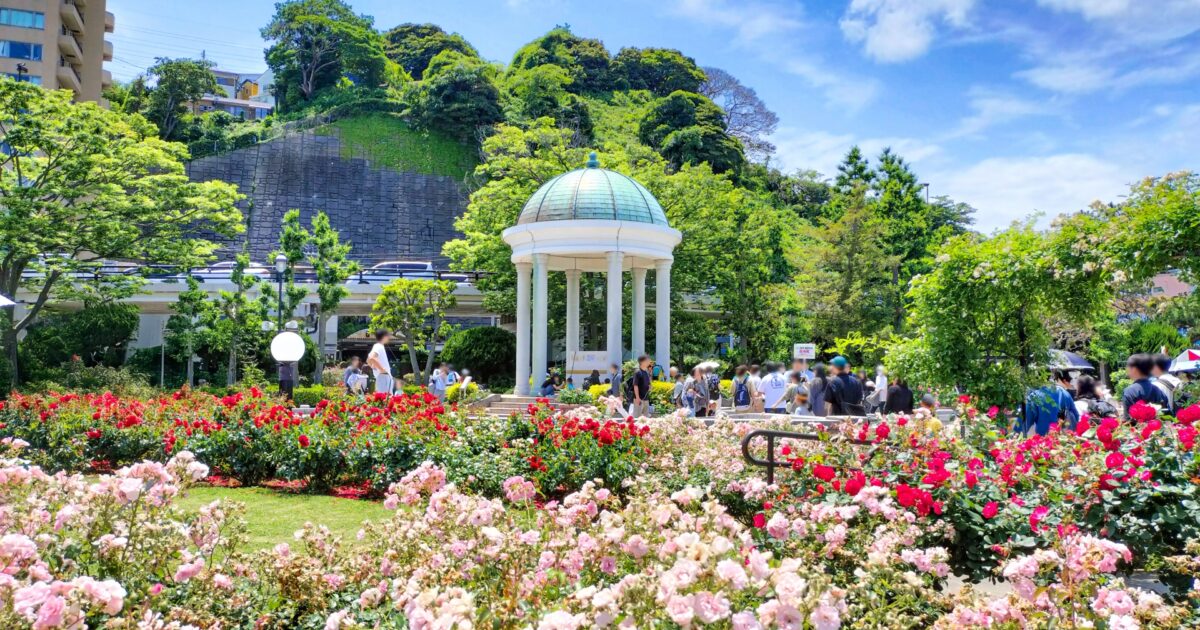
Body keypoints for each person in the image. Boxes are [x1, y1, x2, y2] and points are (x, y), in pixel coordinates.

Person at [1122, 353, 1171, 420]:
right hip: (1158, 429)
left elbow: (1127, 420)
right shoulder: (1159, 391)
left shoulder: (1129, 392)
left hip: (1137, 429)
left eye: (1128, 367)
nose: (1127, 370)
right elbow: (1167, 417)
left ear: (1134, 369)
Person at [367, 330, 394, 395]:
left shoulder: (378, 346)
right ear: (384, 336)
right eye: (388, 336)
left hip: (382, 376)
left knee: (384, 399)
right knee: (386, 400)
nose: (389, 338)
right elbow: (372, 358)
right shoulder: (379, 346)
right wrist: (381, 369)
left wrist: (375, 368)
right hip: (384, 376)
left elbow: (368, 360)